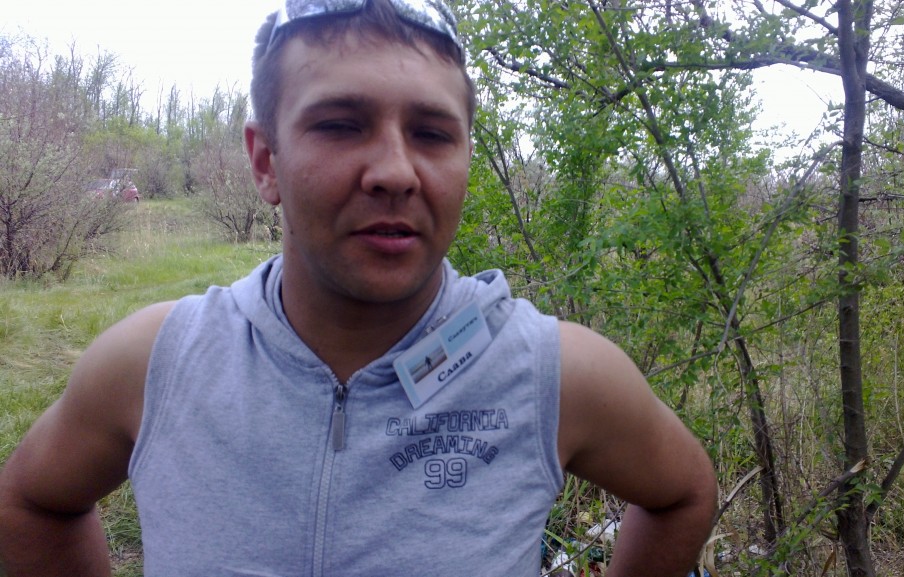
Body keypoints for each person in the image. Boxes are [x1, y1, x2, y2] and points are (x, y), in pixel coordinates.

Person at [0, 1, 717, 575]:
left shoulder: (555, 373)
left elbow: (684, 493)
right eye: (341, 125)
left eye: (432, 133)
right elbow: (30, 501)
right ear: (265, 161)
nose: (396, 172)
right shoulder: (154, 363)